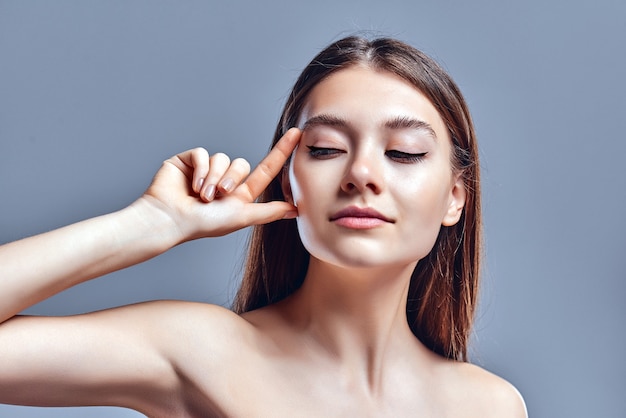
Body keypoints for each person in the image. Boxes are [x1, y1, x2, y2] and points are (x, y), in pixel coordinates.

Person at [0, 36, 527, 417]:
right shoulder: (202, 350)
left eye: (402, 153)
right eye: (325, 149)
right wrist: (151, 223)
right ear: (288, 182)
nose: (361, 174)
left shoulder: (490, 405)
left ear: (454, 199)